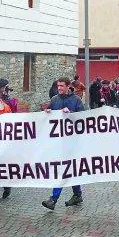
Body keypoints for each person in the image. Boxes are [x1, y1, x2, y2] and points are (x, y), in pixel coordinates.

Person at [41, 77, 85, 210]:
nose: (59, 88)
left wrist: (71, 114)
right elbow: (50, 118)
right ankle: (77, 194)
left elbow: (84, 118)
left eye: (61, 86)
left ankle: (53, 199)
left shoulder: (76, 100)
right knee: (68, 170)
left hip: (72, 142)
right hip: (58, 141)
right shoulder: (54, 99)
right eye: (58, 86)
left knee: (64, 169)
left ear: (68, 86)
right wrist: (47, 113)